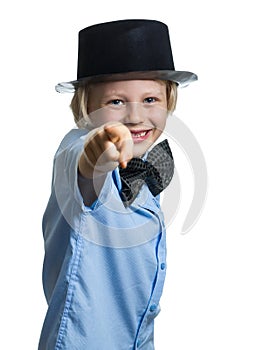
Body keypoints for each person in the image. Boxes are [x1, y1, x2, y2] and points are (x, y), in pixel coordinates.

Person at [38, 19, 197, 350]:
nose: (136, 116)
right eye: (116, 102)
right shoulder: (77, 152)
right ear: (86, 108)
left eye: (151, 100)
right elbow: (85, 162)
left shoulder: (143, 174)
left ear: (169, 101)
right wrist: (103, 146)